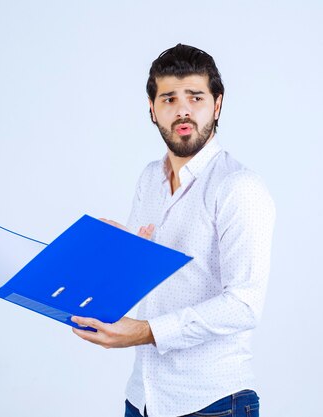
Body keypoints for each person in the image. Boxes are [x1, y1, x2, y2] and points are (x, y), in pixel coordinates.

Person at [71, 43, 276, 417]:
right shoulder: (150, 178)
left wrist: (146, 331)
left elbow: (244, 305)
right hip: (144, 397)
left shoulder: (239, 186)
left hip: (212, 403)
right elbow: (147, 285)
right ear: (152, 110)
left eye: (195, 96)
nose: (182, 110)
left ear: (217, 104)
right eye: (168, 99)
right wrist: (120, 251)